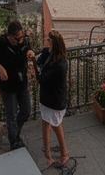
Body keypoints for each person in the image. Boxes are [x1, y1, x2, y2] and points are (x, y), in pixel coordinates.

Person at [0, 20, 35, 151]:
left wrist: (31, 52)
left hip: (22, 83)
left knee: (26, 110)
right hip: (8, 85)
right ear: (9, 36)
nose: (20, 41)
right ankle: (14, 141)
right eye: (17, 39)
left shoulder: (23, 41)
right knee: (11, 114)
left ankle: (15, 132)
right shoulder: (0, 43)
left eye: (21, 38)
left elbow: (30, 49)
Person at [35, 31, 71, 169]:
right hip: (49, 98)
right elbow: (41, 61)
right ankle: (49, 155)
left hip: (54, 100)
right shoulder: (51, 55)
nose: (46, 42)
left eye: (48, 40)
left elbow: (41, 79)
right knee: (47, 124)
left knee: (55, 125)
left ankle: (63, 153)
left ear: (53, 43)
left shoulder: (60, 65)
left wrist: (34, 66)